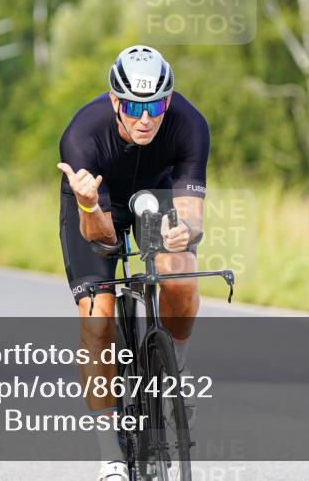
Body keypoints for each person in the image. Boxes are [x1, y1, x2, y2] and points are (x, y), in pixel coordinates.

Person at [57, 45, 209, 480]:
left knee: (180, 273)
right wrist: (88, 205)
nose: (145, 118)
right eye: (134, 106)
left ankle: (174, 369)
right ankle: (110, 457)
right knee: (98, 319)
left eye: (156, 105)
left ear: (169, 100)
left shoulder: (190, 124)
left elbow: (192, 211)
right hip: (93, 205)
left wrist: (184, 234)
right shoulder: (82, 135)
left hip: (155, 200)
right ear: (114, 101)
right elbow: (101, 236)